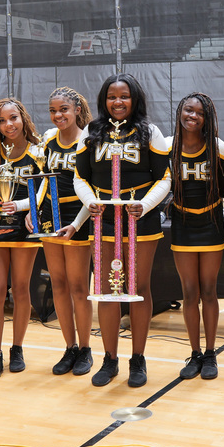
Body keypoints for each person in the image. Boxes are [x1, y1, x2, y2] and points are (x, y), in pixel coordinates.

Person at [74, 73, 171, 388]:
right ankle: (110, 359)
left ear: (135, 99)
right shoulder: (90, 132)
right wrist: (90, 203)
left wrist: (145, 204)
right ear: (104, 100)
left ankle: (138, 359)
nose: (118, 102)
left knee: (139, 288)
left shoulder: (150, 132)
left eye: (124, 96)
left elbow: (165, 178)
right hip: (103, 221)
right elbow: (80, 177)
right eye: (112, 96)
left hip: (140, 220)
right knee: (106, 289)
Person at [0, 98, 43, 380]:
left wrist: (23, 206)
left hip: (25, 227)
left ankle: (17, 349)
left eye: (13, 118)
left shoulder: (38, 153)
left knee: (21, 289)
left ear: (23, 119)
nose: (9, 124)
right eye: (3, 120)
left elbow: (43, 190)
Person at [168, 93, 224, 380]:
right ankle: (194, 353)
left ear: (208, 118)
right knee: (189, 292)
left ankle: (211, 353)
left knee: (209, 290)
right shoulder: (169, 146)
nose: (193, 116)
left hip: (211, 222)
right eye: (188, 110)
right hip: (182, 223)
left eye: (199, 113)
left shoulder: (217, 148)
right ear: (180, 111)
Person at [39, 87, 94, 376]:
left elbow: (92, 190)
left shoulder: (88, 142)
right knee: (57, 285)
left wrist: (78, 224)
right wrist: (32, 213)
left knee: (78, 288)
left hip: (77, 220)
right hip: (50, 218)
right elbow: (44, 183)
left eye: (63, 109)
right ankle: (69, 347)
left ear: (76, 110)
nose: (58, 115)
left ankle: (85, 348)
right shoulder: (48, 141)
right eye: (53, 110)